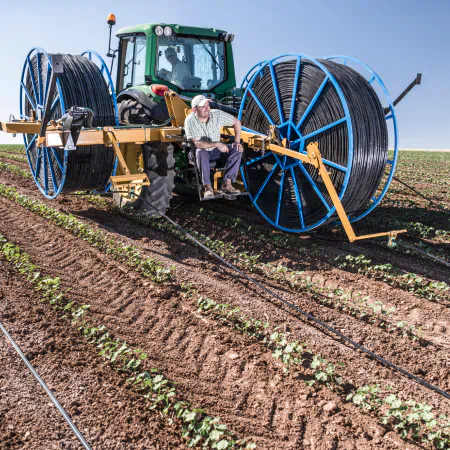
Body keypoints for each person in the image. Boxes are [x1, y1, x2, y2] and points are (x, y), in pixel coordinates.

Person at [184, 95, 243, 199]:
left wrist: (237, 141)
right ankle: (207, 188)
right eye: (203, 106)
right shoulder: (190, 120)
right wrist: (216, 143)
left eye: (208, 105)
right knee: (200, 151)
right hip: (199, 152)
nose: (207, 108)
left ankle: (227, 184)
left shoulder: (216, 114)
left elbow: (236, 122)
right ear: (195, 110)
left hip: (215, 151)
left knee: (237, 150)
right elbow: (197, 143)